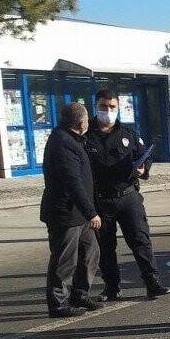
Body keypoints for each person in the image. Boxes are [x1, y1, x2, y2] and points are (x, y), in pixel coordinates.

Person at [84, 90, 170, 301]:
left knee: (141, 240)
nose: (108, 111)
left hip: (128, 197)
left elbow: (143, 157)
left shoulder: (128, 134)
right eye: (104, 106)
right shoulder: (86, 136)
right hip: (101, 200)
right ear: (96, 107)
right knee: (106, 247)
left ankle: (153, 282)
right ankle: (111, 287)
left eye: (112, 107)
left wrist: (143, 169)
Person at [40, 103, 102, 317]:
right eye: (87, 120)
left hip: (78, 213)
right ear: (80, 122)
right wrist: (91, 212)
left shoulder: (72, 139)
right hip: (65, 213)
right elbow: (72, 181)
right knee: (64, 260)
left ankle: (80, 293)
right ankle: (57, 303)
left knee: (90, 251)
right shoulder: (62, 142)